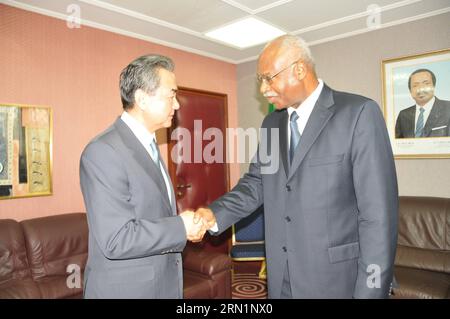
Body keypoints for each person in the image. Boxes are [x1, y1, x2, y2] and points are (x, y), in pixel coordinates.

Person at [195, 35, 398, 298]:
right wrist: (215, 214)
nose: (264, 89)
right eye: (260, 81)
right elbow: (256, 183)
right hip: (281, 277)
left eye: (270, 78)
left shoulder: (358, 114)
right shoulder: (272, 123)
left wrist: (372, 290)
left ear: (300, 69)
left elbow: (378, 216)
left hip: (336, 280)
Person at [79, 54, 206, 298]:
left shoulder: (149, 146)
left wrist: (185, 226)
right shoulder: (103, 151)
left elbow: (151, 214)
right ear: (142, 99)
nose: (177, 104)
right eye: (171, 95)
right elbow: (117, 238)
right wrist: (181, 227)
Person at [395, 68, 450, 138]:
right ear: (410, 91)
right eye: (415, 85)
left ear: (434, 86)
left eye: (426, 83)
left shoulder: (448, 108)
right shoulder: (403, 115)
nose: (421, 89)